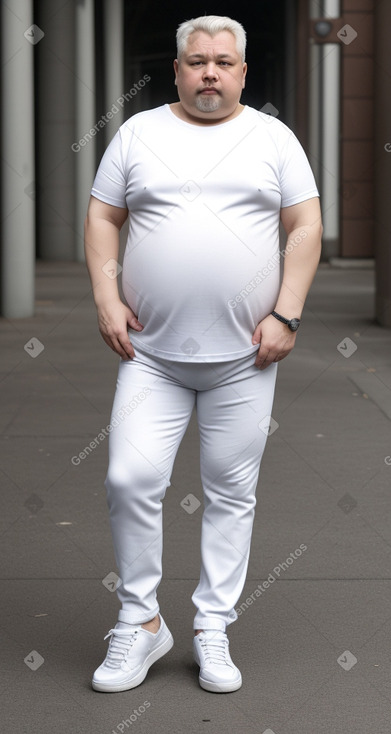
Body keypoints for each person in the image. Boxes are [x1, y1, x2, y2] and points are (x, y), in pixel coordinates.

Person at [84, 14, 322, 694]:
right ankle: (141, 623)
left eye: (222, 61)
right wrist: (105, 297)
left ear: (242, 72)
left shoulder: (271, 137)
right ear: (178, 70)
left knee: (229, 491)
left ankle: (211, 626)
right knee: (131, 479)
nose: (209, 72)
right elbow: (103, 215)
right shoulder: (138, 134)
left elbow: (304, 224)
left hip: (245, 357)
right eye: (196, 61)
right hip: (150, 355)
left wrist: (288, 313)